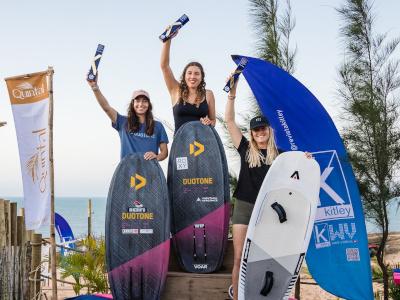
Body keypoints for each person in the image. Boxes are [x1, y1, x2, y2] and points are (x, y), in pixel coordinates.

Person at [225, 78, 280, 300]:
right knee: (239, 257)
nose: (259, 132)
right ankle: (237, 296)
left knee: (263, 258)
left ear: (269, 129)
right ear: (252, 133)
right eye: (255, 130)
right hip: (245, 206)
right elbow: (229, 120)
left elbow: (298, 170)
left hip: (268, 209)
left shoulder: (282, 154)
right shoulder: (246, 149)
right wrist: (232, 94)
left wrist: (303, 160)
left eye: (262, 128)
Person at [87, 75, 168, 161]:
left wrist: (156, 156)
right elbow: (106, 108)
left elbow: (164, 152)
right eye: (137, 101)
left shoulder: (158, 126)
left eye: (144, 101)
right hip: (128, 171)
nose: (141, 104)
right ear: (132, 104)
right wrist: (95, 88)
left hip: (149, 171)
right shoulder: (122, 122)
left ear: (149, 105)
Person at [160, 30, 216, 132]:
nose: (192, 76)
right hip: (181, 142)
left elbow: (213, 121)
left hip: (203, 143)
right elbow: (164, 66)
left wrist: (209, 122)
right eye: (189, 73)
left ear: (202, 77)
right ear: (184, 76)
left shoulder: (208, 94)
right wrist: (167, 40)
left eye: (197, 73)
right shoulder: (176, 90)